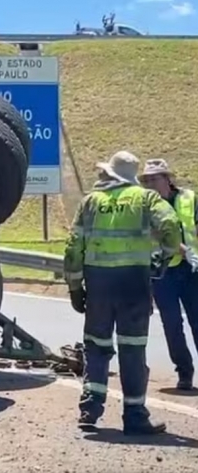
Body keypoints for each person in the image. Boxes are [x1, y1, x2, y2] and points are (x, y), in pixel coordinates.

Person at [64, 150, 181, 434]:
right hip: (134, 284)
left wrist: (75, 287)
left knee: (96, 346)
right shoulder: (146, 198)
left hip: (99, 285)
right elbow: (170, 225)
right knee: (132, 348)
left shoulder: (90, 202)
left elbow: (73, 248)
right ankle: (135, 415)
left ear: (109, 174)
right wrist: (163, 257)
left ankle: (90, 410)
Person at [140, 158, 198, 390]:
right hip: (162, 271)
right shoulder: (145, 205)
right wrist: (186, 252)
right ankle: (184, 372)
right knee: (172, 324)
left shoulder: (189, 199)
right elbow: (159, 234)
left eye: (155, 178)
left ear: (167, 178)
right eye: (147, 180)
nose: (150, 183)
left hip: (192, 271)